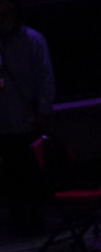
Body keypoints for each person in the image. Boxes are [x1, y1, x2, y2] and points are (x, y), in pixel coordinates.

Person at [0, 0, 53, 236]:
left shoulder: (33, 40)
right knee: (10, 173)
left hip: (27, 117)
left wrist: (44, 109)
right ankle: (17, 218)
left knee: (31, 170)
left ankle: (36, 217)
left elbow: (45, 76)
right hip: (3, 120)